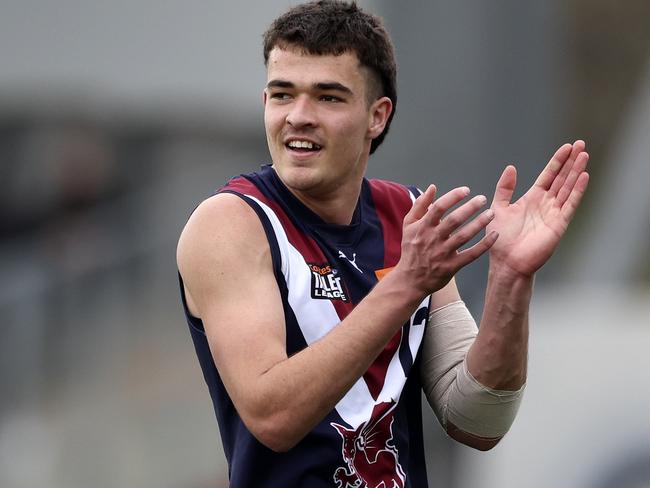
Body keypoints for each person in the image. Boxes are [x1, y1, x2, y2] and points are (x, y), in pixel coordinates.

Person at [176, 1, 590, 486]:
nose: (298, 117)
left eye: (328, 97)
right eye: (282, 94)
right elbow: (273, 416)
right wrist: (407, 284)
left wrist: (511, 280)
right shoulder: (231, 223)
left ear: (377, 116)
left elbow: (478, 420)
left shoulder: (408, 220)